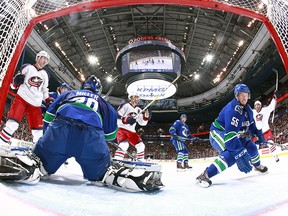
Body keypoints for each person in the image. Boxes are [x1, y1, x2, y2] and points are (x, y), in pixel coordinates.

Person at [0, 75, 163, 192]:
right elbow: (110, 136)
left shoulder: (68, 94)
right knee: (103, 172)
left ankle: (28, 166)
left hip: (60, 130)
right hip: (90, 139)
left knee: (40, 161)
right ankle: (122, 177)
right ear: (98, 91)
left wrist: (48, 140)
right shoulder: (105, 104)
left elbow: (48, 118)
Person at [196, 84, 268, 188]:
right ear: (236, 96)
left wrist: (259, 136)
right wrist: (238, 153)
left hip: (235, 134)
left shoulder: (247, 109)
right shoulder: (233, 110)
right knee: (232, 155)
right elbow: (230, 136)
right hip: (219, 132)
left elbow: (251, 126)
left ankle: (257, 165)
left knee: (251, 147)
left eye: (246, 95)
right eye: (241, 95)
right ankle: (205, 174)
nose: (244, 97)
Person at [0, 50, 53, 150]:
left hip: (36, 104)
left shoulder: (45, 74)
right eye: (44, 58)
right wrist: (15, 83)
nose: (45, 61)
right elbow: (13, 84)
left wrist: (47, 99)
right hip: (22, 99)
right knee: (13, 124)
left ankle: (37, 151)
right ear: (38, 58)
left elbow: (44, 89)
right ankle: (1, 143)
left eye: (47, 60)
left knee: (38, 131)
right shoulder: (27, 67)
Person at [114, 92, 150, 161]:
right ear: (131, 98)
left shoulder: (138, 109)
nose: (137, 99)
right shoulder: (125, 105)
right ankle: (117, 160)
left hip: (132, 131)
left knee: (141, 146)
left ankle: (140, 161)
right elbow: (116, 116)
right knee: (124, 145)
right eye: (135, 97)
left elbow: (142, 123)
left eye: (138, 98)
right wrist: (125, 119)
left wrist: (145, 117)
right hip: (122, 129)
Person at [253, 96, 279, 162]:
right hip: (258, 133)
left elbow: (271, 106)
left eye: (258, 105)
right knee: (254, 146)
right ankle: (255, 160)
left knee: (270, 143)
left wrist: (274, 97)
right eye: (256, 105)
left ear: (261, 105)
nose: (257, 106)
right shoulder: (253, 112)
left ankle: (275, 155)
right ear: (254, 107)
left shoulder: (265, 110)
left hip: (266, 131)